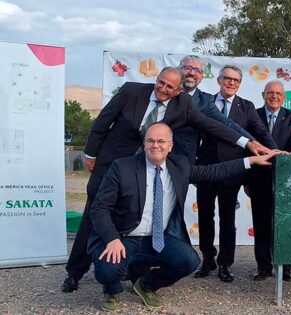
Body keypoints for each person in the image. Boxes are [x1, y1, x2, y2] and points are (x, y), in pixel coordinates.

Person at [62, 67, 269, 293]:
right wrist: (91, 154)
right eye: (160, 83)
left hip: (146, 169)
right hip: (112, 164)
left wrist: (247, 144)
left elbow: (214, 125)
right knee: (94, 216)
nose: (163, 89)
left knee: (140, 220)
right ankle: (75, 273)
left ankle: (131, 271)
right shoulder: (132, 91)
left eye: (170, 87)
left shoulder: (184, 106)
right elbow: (103, 121)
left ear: (178, 90)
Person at [88, 122, 275, 311]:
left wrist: (250, 161)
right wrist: (112, 239)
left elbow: (214, 171)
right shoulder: (122, 167)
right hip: (123, 236)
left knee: (189, 261)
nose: (155, 145)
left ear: (170, 146)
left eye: (161, 141)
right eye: (150, 140)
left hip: (156, 238)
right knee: (107, 271)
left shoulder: (180, 165)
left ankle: (146, 285)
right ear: (143, 144)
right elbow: (99, 208)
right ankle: (111, 290)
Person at [195, 65, 277, 282]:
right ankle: (207, 259)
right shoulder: (204, 103)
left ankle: (225, 263)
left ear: (240, 84)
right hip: (205, 170)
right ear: (219, 80)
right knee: (204, 216)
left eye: (236, 81)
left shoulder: (246, 107)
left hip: (232, 171)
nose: (231, 83)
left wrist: (273, 149)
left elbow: (259, 132)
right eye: (228, 79)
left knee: (227, 218)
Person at [248, 80, 291, 281]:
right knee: (261, 223)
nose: (274, 96)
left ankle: (285, 268)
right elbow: (247, 147)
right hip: (259, 177)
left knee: (285, 223)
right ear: (263, 95)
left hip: (285, 179)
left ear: (284, 97)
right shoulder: (253, 114)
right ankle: (263, 267)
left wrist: (288, 157)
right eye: (270, 92)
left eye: (279, 93)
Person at [175, 55, 259, 163]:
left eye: (197, 70)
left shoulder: (205, 100)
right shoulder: (163, 90)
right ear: (178, 70)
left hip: (183, 162)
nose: (192, 73)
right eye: (188, 68)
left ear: (202, 77)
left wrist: (251, 142)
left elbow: (226, 123)